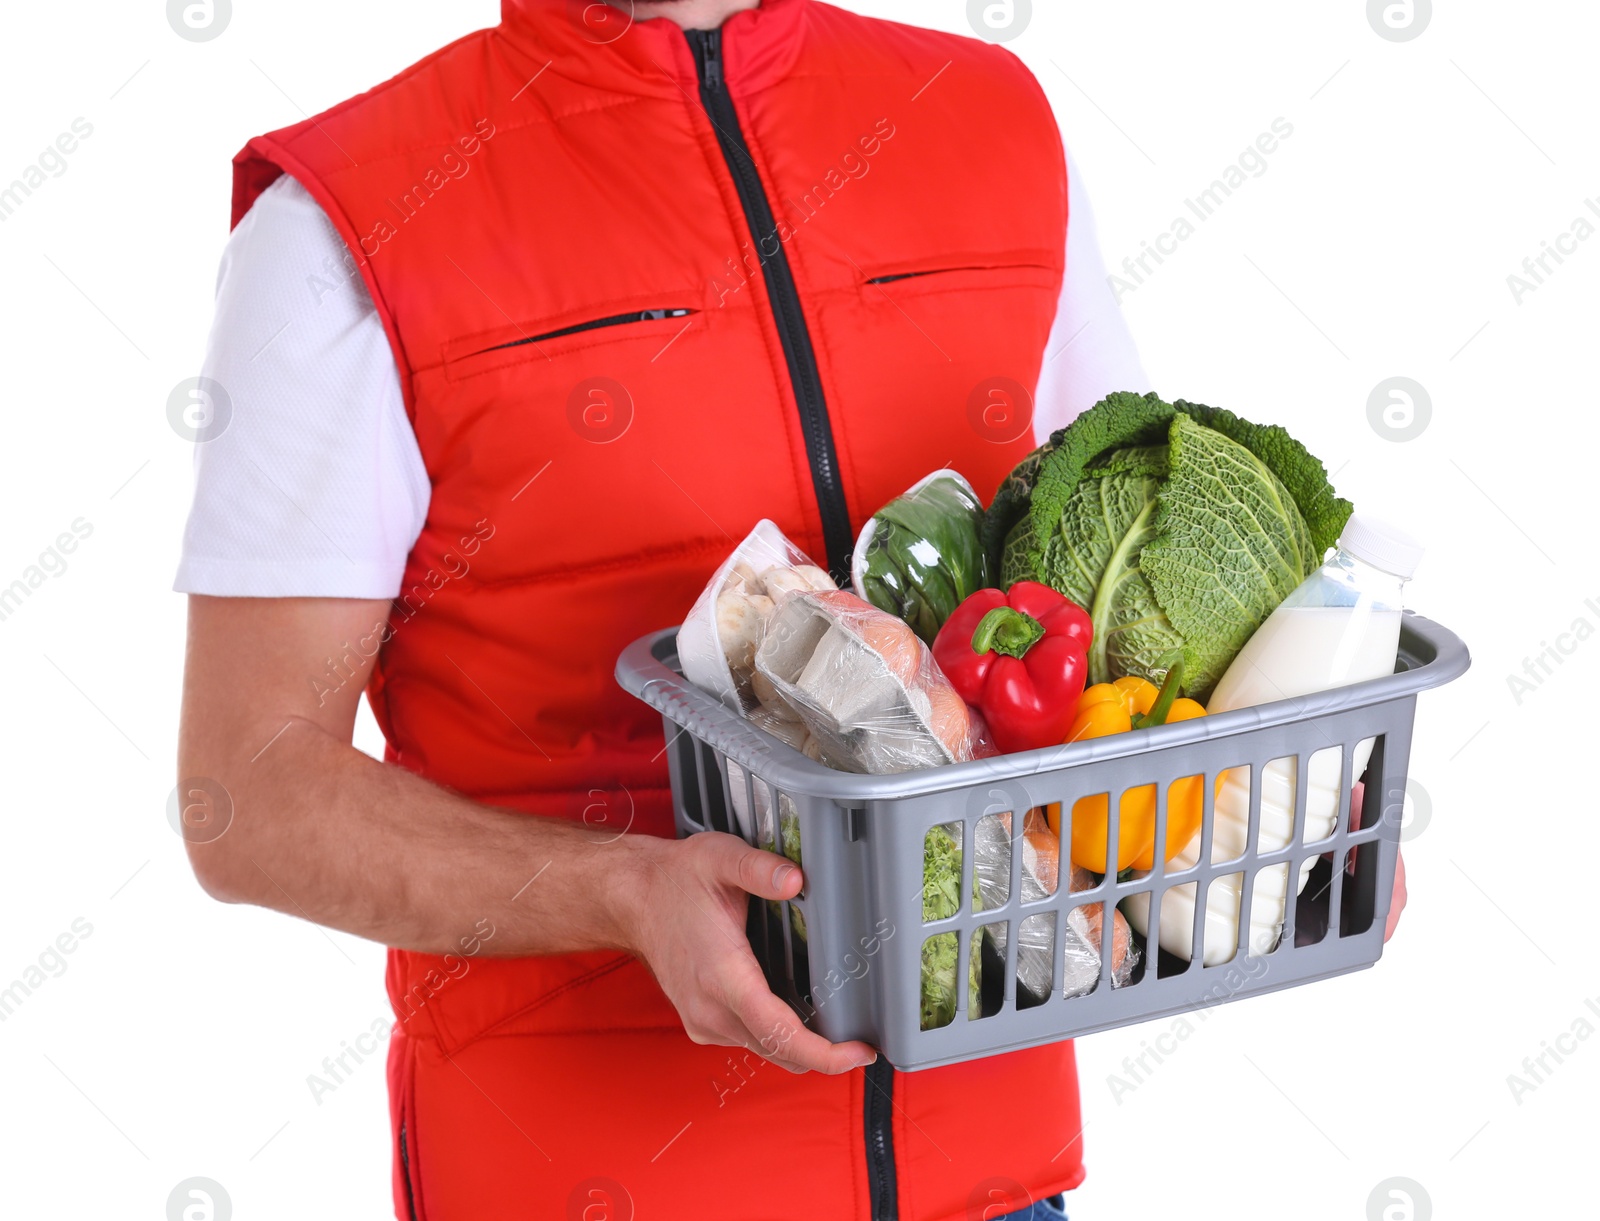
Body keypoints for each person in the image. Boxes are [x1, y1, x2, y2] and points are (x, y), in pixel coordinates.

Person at [175, 1, 1400, 1217]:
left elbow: (1114, 624)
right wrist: (619, 890)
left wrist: (1284, 818)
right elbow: (252, 794)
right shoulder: (352, 219)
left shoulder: (989, 125)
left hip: (993, 1184)